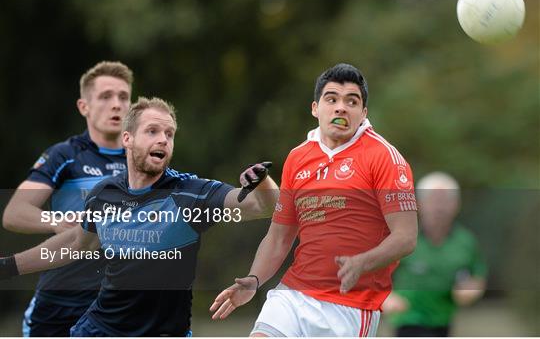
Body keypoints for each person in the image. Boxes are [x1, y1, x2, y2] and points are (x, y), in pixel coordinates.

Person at [0, 96, 279, 337]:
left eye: (169, 134)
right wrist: (8, 266)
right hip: (98, 330)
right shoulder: (103, 194)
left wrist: (262, 182)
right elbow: (76, 244)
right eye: (152, 131)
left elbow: (261, 206)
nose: (163, 139)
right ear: (127, 139)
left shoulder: (191, 195)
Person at [210, 63, 418, 337]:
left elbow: (406, 237)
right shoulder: (298, 158)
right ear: (315, 108)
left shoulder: (384, 157)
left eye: (351, 101)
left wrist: (362, 262)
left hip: (350, 307)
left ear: (363, 113)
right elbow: (279, 237)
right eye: (332, 99)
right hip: (293, 295)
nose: (341, 108)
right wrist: (253, 280)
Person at [2, 61, 133, 336]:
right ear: (84, 107)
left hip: (118, 303)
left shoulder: (142, 160)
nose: (116, 104)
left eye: (123, 97)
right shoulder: (65, 155)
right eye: (106, 96)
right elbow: (14, 212)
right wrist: (56, 222)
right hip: (59, 303)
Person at [382, 172, 487, 337]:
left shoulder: (466, 241)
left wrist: (471, 289)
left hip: (443, 322)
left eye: (446, 200)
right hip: (409, 321)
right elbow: (374, 275)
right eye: (434, 200)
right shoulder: (401, 237)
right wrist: (386, 297)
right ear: (419, 203)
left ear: (456, 204)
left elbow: (477, 274)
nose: (440, 207)